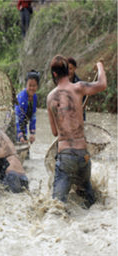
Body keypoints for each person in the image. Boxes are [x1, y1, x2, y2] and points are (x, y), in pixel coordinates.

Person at [46, 56, 106, 208]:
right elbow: (102, 84)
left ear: (54, 74)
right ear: (68, 71)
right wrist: (99, 66)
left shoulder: (50, 98)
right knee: (90, 204)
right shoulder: (79, 87)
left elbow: (54, 132)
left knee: (56, 207)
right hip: (83, 156)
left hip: (65, 157)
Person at [15, 70, 39, 144]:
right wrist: (19, 135)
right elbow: (15, 117)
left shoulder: (34, 97)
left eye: (34, 85)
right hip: (14, 125)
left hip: (23, 126)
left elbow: (33, 116)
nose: (32, 88)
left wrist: (32, 133)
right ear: (26, 84)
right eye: (30, 85)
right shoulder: (22, 97)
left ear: (37, 86)